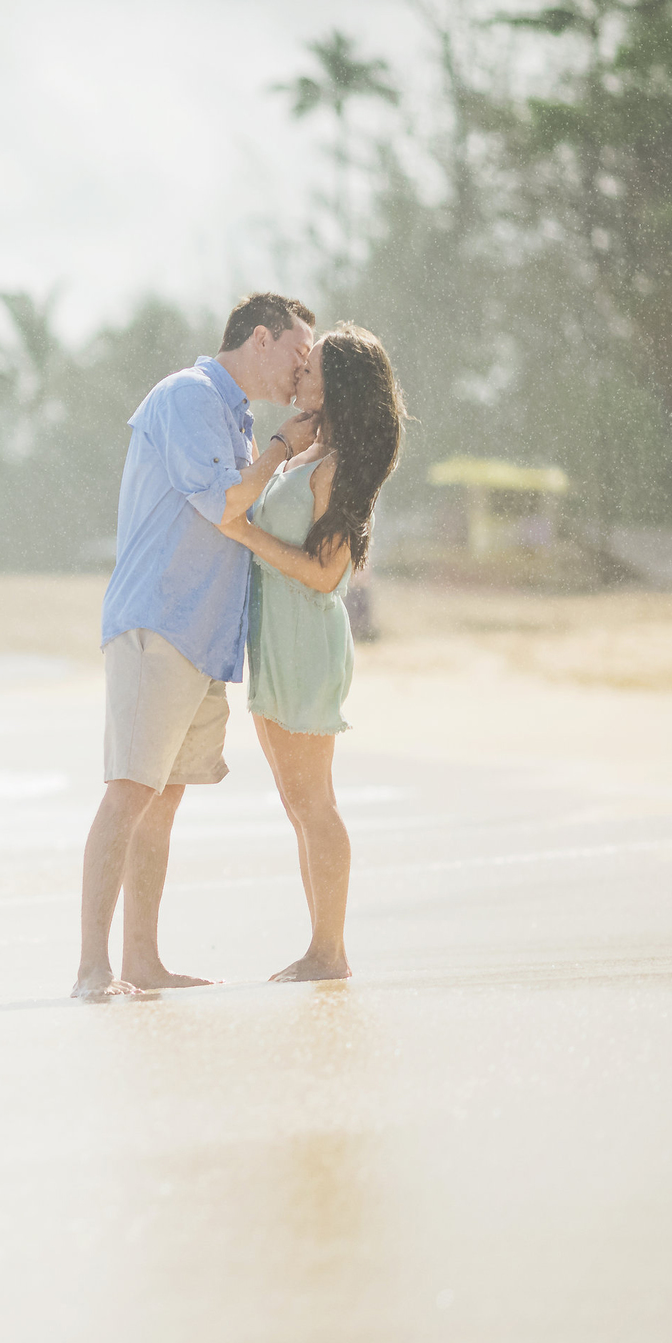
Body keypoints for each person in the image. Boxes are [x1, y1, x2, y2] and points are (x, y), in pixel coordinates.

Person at [72, 292, 320, 999]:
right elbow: (226, 505)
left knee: (165, 797)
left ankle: (142, 960)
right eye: (300, 355)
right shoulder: (188, 396)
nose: (300, 373)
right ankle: (93, 966)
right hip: (159, 623)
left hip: (200, 635)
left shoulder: (235, 416)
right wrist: (284, 447)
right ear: (262, 340)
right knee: (128, 791)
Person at [218, 323, 407, 982]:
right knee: (298, 805)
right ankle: (320, 948)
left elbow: (328, 575)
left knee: (314, 803)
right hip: (274, 638)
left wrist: (242, 534)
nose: (300, 369)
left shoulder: (337, 467)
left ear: (341, 388)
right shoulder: (304, 451)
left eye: (313, 364)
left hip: (304, 638)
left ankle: (331, 951)